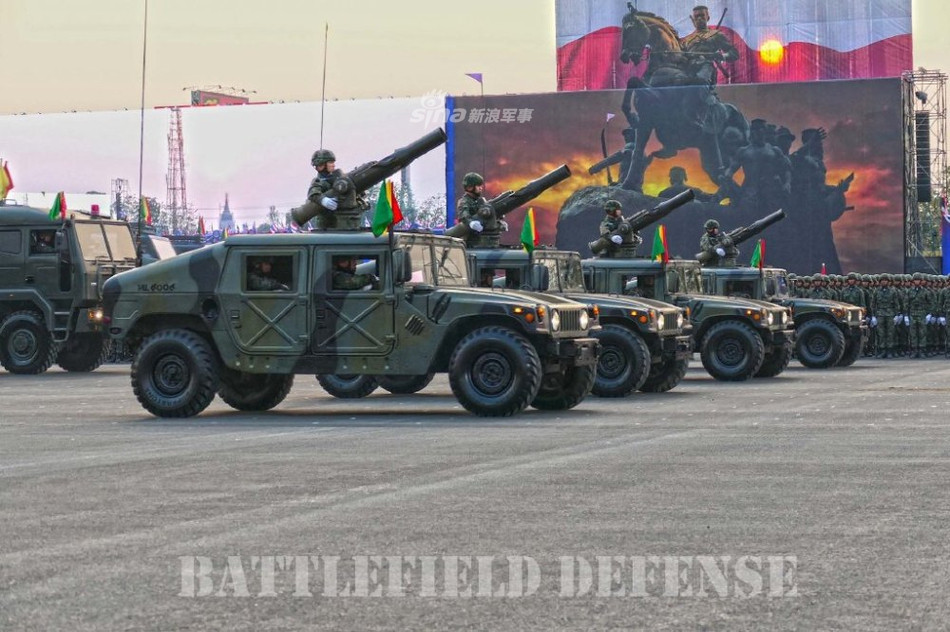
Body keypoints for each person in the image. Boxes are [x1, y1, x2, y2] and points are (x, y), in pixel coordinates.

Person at [680, 5, 739, 87]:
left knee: (700, 82)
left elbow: (734, 53)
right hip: (689, 70)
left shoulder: (716, 35)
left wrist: (721, 56)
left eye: (702, 15)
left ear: (707, 18)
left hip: (705, 68)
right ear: (693, 20)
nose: (699, 18)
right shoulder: (687, 40)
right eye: (696, 16)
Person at [455, 172, 507, 248]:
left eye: (481, 185)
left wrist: (498, 221)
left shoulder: (481, 201)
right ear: (470, 187)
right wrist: (471, 223)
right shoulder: (464, 201)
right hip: (470, 241)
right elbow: (463, 216)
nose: (481, 188)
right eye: (478, 186)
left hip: (484, 239)